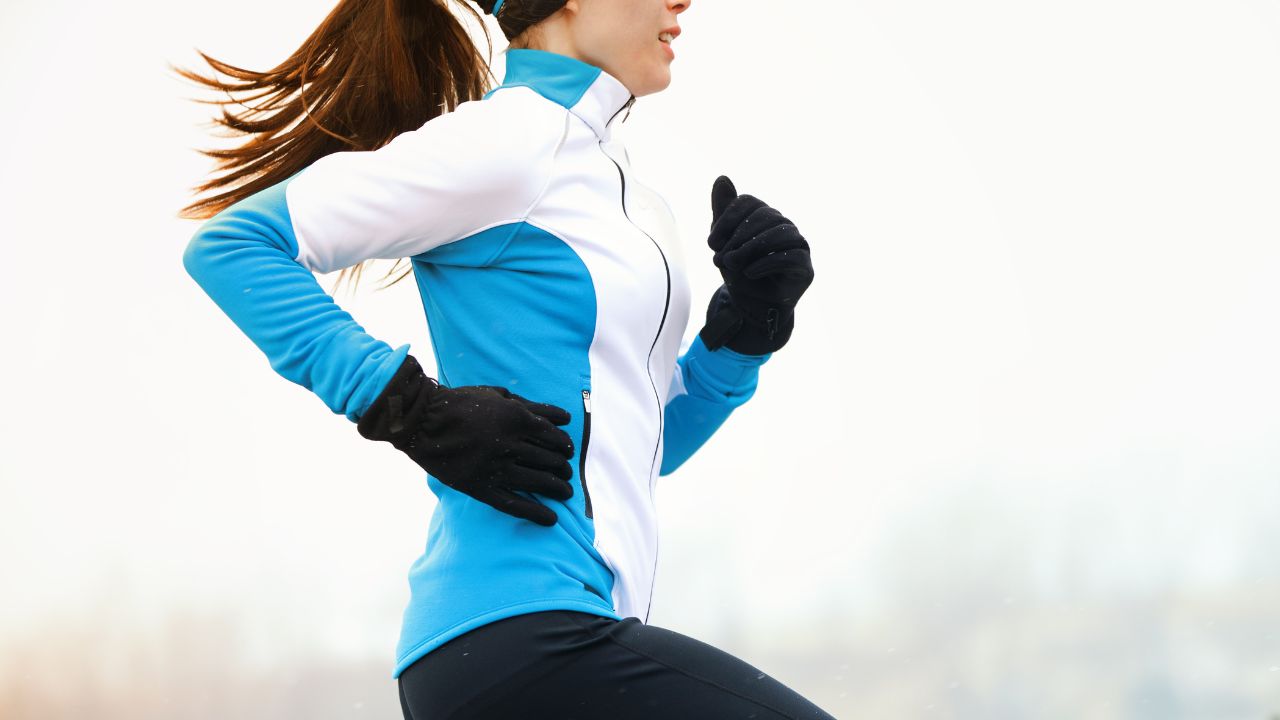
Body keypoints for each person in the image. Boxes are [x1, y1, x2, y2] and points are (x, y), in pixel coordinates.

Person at [177, 0, 825, 716]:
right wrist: (409, 408)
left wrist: (744, 332)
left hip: (544, 649)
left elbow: (634, 447)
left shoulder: (626, 194)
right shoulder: (511, 141)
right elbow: (233, 246)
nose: (683, 2)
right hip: (523, 641)